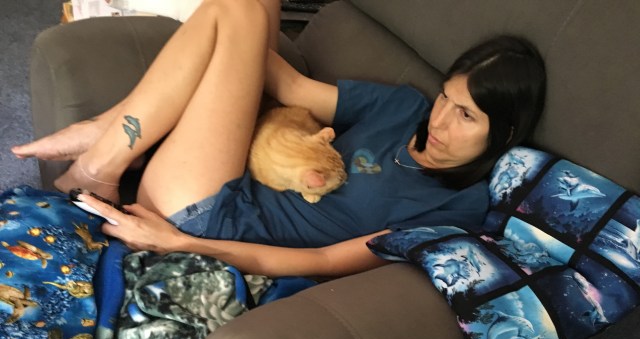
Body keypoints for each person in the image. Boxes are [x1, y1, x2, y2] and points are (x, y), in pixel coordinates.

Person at [12, 0, 546, 279]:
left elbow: (326, 263)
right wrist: (226, 45)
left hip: (213, 219)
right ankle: (112, 129)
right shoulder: (406, 107)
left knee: (237, 11)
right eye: (446, 97)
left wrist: (182, 245)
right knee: (247, 4)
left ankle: (99, 161)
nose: (440, 121)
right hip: (237, 169)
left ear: (504, 134)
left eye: (466, 116)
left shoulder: (459, 206)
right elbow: (290, 87)